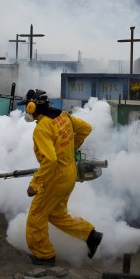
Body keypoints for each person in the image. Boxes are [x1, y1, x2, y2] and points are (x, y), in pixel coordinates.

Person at [19, 89, 103, 266]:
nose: (26, 109)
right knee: (55, 213)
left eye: (27, 106)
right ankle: (90, 235)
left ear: (32, 106)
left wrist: (34, 184)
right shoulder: (63, 116)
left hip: (55, 177)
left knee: (37, 215)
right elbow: (85, 128)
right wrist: (71, 148)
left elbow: (49, 160)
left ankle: (44, 255)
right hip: (69, 172)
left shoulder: (41, 129)